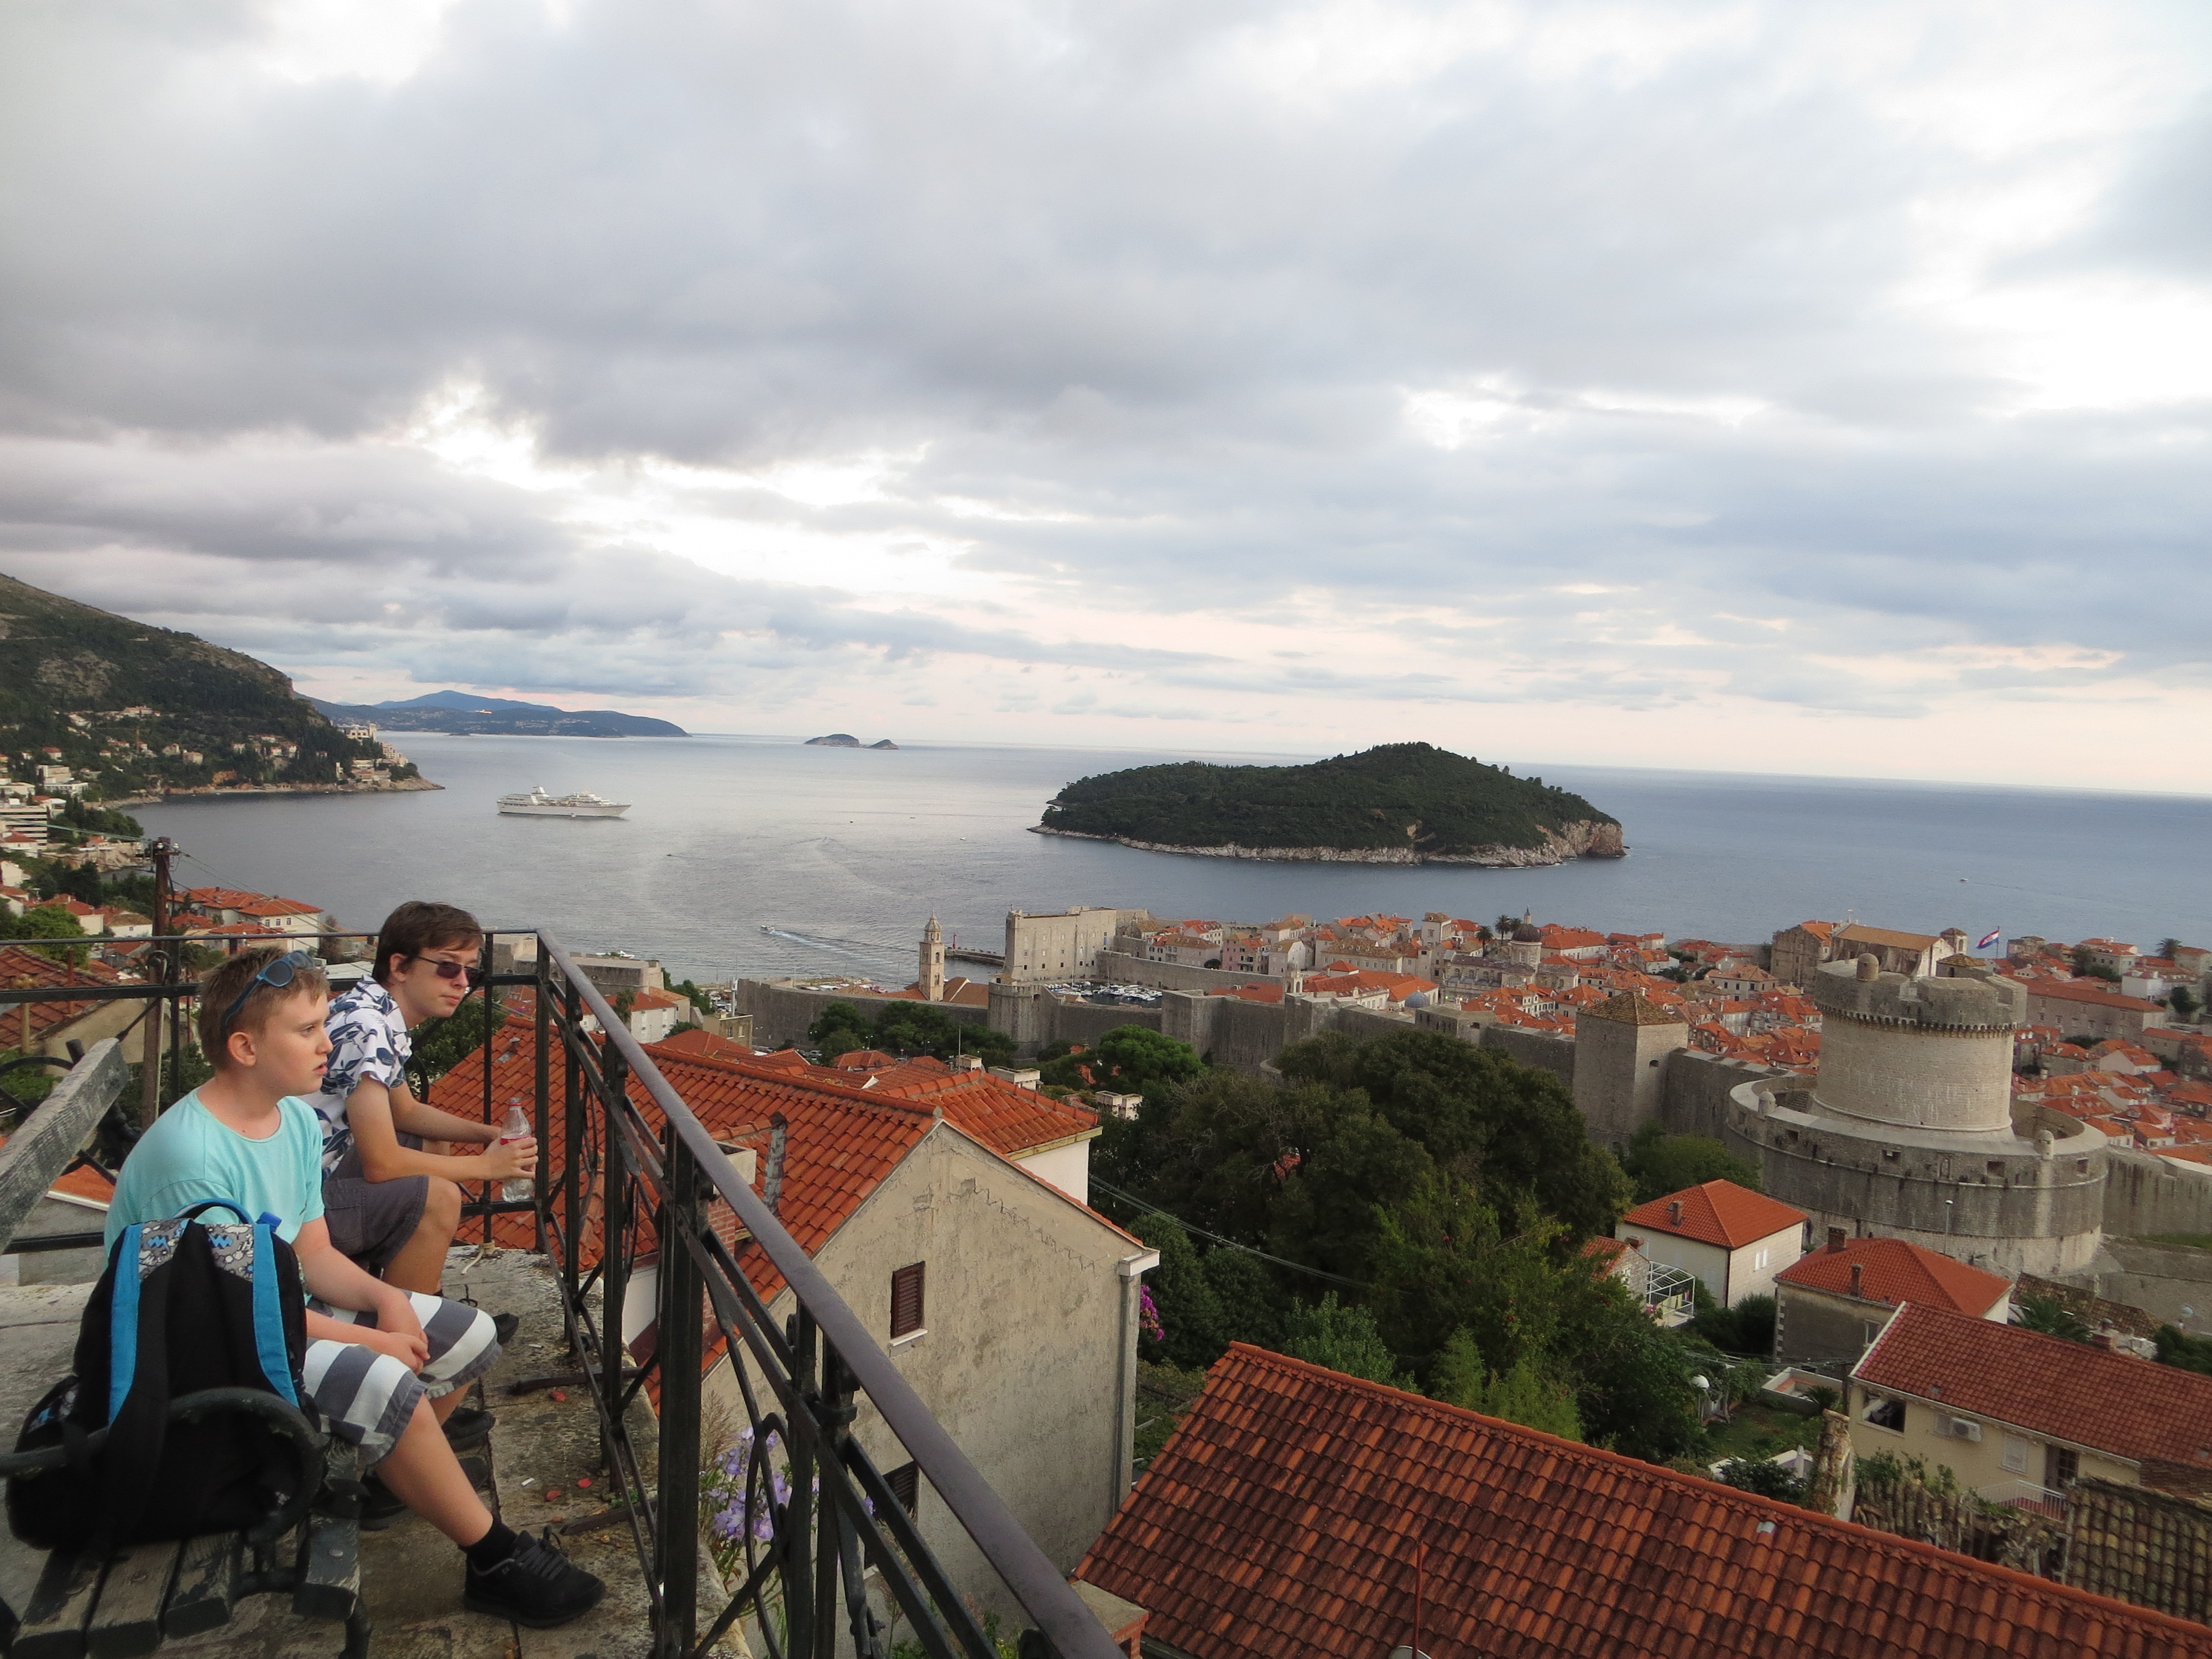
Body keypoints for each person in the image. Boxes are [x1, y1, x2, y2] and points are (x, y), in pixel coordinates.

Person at [105, 945, 603, 1627]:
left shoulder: (292, 1122)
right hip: (197, 1350)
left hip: (269, 1311)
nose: (326, 1042)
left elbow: (311, 1251)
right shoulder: (193, 1158)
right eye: (307, 1030)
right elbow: (236, 1316)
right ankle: (493, 1556)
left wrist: (388, 1301)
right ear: (245, 1048)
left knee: (469, 1336)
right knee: (387, 1377)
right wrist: (373, 1342)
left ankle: (374, 1475)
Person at [307, 902, 536, 1307]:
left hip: (313, 1173)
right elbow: (382, 1164)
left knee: (430, 1141)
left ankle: (418, 1291)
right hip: (298, 1206)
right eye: (448, 967)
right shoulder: (369, 1030)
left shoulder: (371, 1010)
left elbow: (406, 1113)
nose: (462, 982)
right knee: (441, 1197)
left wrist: (490, 1135)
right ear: (400, 966)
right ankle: (414, 1323)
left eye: (471, 972)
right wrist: (485, 1167)